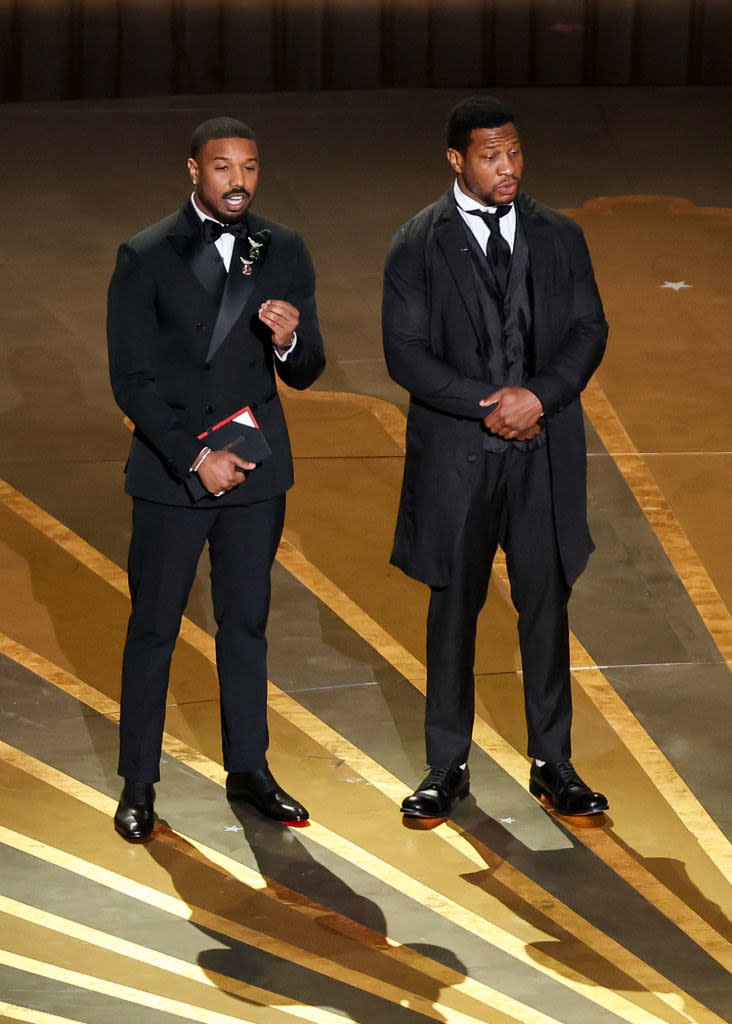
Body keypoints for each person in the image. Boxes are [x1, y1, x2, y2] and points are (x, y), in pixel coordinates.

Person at [382, 96, 609, 819]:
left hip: (543, 452)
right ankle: (445, 765)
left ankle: (554, 762)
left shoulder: (560, 235)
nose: (507, 167)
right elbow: (405, 355)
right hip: (460, 457)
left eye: (514, 152)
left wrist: (537, 397)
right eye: (490, 155)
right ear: (457, 160)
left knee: (546, 603)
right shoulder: (416, 244)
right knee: (454, 609)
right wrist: (494, 405)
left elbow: (588, 329)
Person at [107, 116, 325, 840]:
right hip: (175, 470)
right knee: (155, 629)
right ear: (194, 171)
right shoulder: (145, 256)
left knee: (246, 626)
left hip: (255, 469)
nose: (239, 180)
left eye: (251, 168)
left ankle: (250, 769)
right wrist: (198, 457)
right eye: (224, 167)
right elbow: (132, 382)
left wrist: (290, 339)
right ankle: (138, 782)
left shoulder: (282, 247)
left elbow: (308, 367)